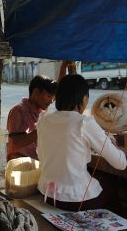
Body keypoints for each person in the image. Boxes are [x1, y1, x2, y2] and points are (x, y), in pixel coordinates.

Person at [37, 74, 127, 211]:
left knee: (94, 176)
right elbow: (120, 163)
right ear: (84, 98)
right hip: (74, 201)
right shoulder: (84, 122)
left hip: (47, 194)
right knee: (110, 183)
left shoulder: (44, 120)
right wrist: (118, 148)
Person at [6, 75, 58, 161]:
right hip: (20, 169)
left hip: (36, 165)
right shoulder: (18, 111)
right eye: (48, 96)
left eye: (53, 98)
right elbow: (15, 143)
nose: (51, 101)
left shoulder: (41, 111)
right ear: (36, 93)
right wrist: (41, 130)